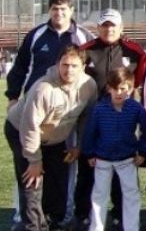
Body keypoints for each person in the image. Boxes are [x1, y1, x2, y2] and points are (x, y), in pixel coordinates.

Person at [5, 44, 97, 231]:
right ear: (57, 64)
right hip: (22, 131)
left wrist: (78, 145)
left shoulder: (89, 85)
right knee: (33, 180)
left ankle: (53, 222)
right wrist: (34, 160)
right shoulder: (43, 89)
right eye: (65, 65)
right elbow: (29, 127)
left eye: (74, 66)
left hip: (55, 136)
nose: (68, 70)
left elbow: (86, 117)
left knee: (58, 179)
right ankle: (33, 226)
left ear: (83, 67)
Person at [75, 9, 145, 230]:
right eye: (105, 25)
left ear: (121, 28)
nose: (109, 29)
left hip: (124, 116)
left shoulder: (134, 51)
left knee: (122, 166)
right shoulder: (86, 51)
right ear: (98, 28)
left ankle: (118, 213)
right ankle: (83, 213)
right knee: (89, 168)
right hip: (91, 113)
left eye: (113, 25)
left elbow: (140, 79)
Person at [82, 68, 146, 231]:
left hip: (127, 159)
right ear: (108, 88)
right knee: (99, 195)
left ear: (131, 88)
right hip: (102, 159)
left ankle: (132, 227)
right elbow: (90, 131)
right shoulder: (99, 109)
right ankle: (96, 227)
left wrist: (143, 152)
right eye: (115, 88)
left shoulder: (136, 108)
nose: (119, 92)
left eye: (123, 88)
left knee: (131, 195)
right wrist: (89, 152)